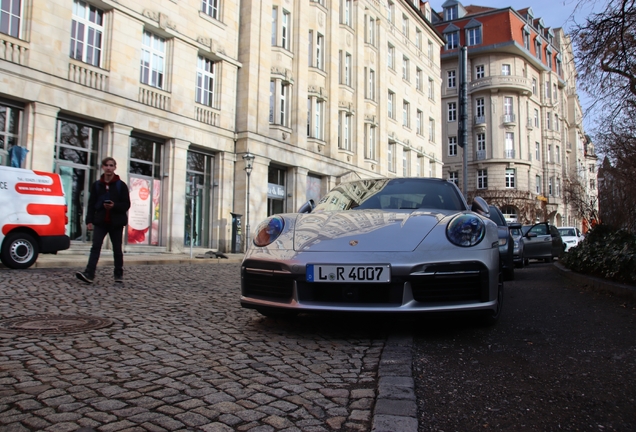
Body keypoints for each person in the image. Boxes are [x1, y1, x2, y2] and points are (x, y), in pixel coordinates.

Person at [76, 157, 131, 284]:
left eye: (111, 165)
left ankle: (118, 273)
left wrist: (114, 206)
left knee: (117, 249)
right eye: (106, 165)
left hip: (116, 222)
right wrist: (89, 220)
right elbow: (91, 204)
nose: (108, 168)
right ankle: (89, 273)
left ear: (115, 167)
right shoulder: (97, 185)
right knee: (95, 247)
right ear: (102, 167)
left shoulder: (121, 186)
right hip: (101, 222)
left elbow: (126, 204)